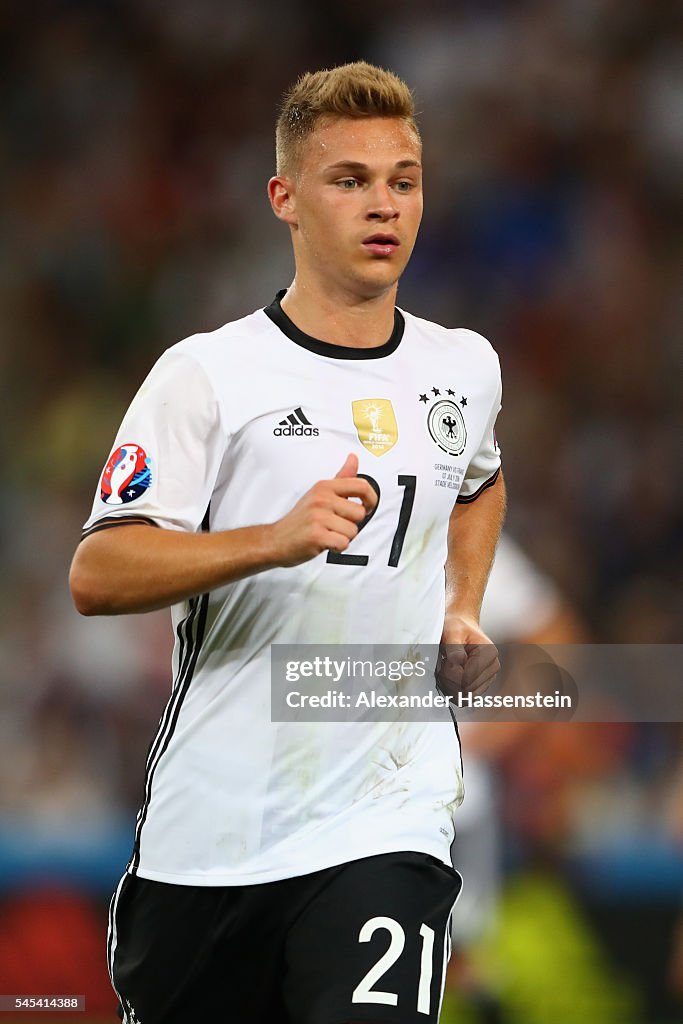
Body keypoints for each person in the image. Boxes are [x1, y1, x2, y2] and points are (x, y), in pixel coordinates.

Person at [69, 62, 505, 1024]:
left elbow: (478, 481)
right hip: (213, 837)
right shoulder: (208, 374)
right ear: (286, 199)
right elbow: (98, 571)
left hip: (386, 818)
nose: (383, 205)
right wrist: (271, 539)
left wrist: (462, 604)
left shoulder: (463, 368)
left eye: (403, 179)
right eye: (349, 180)